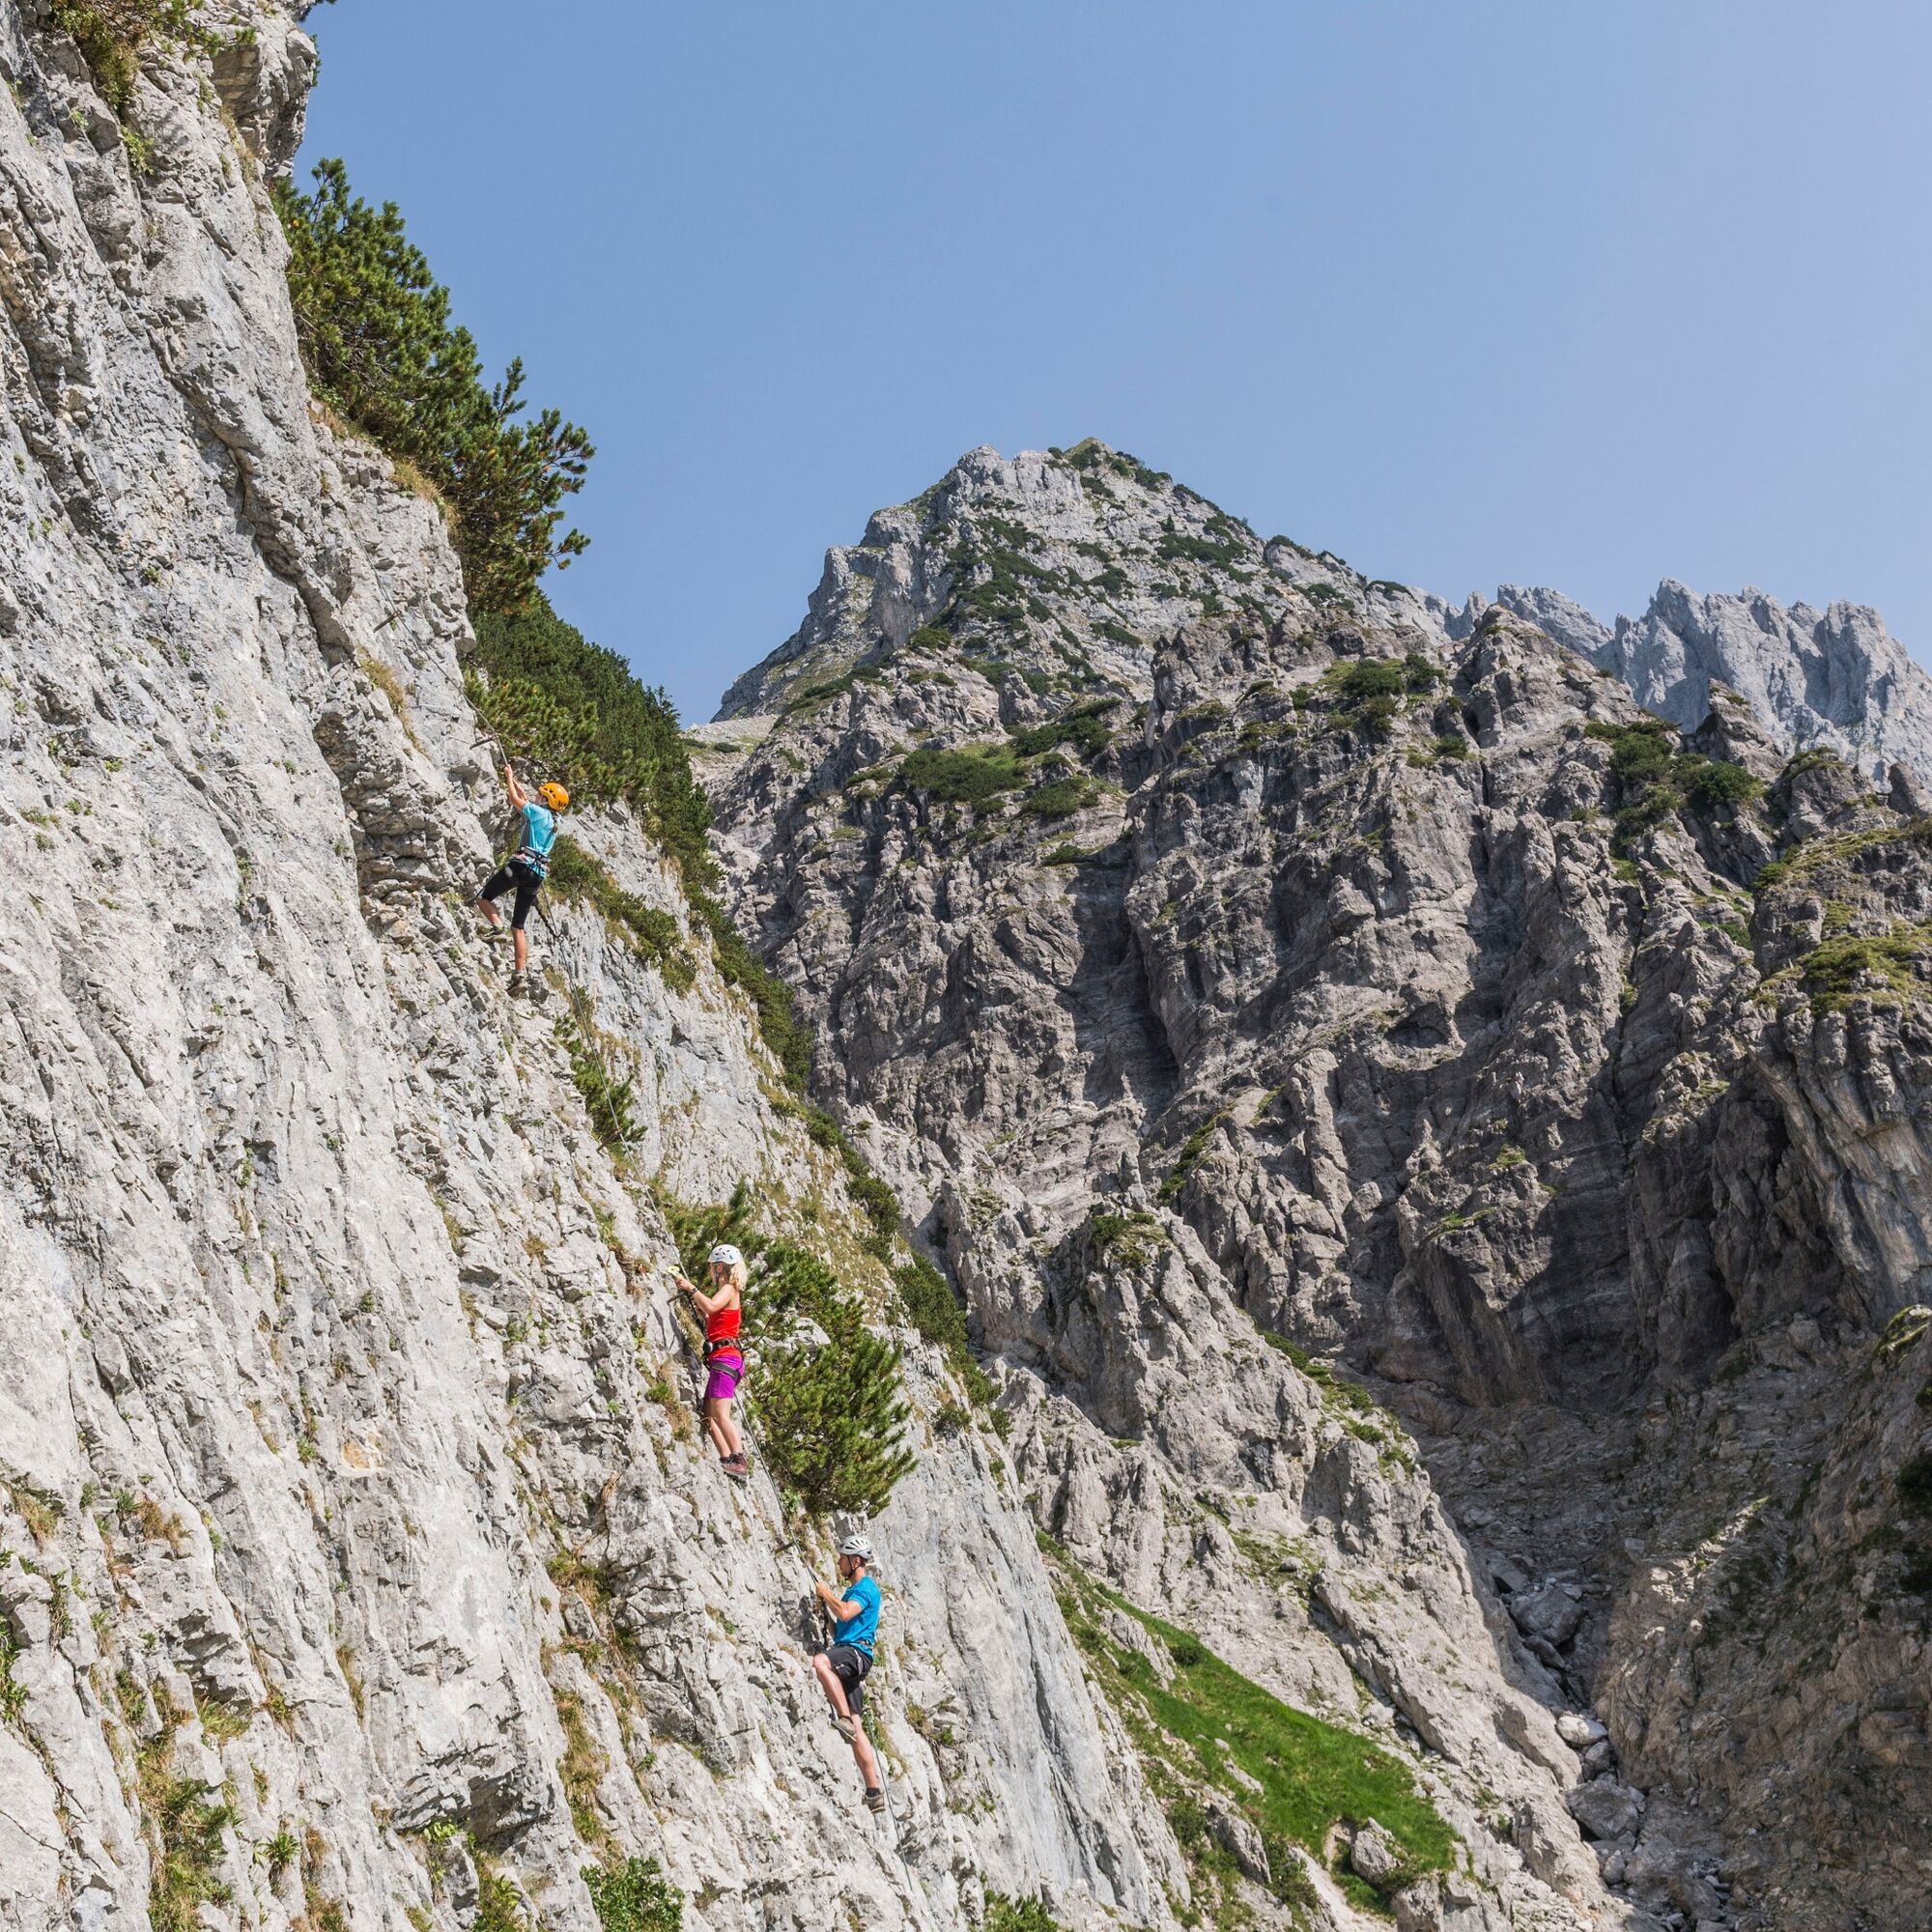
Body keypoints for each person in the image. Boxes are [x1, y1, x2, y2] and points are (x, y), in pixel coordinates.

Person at [474, 758, 567, 996]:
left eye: (540, 795)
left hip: (520, 867)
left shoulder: (537, 812)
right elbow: (525, 802)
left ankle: (496, 927)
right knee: (519, 926)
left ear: (545, 800)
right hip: (536, 877)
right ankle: (519, 975)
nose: (536, 797)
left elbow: (516, 802)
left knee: (484, 897)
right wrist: (518, 785)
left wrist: (508, 777)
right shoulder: (553, 823)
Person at [811, 1532, 885, 1813]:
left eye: (843, 1558)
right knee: (858, 1725)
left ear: (855, 1561)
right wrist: (824, 1608)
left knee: (821, 1663)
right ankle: (873, 1790)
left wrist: (826, 1594)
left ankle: (841, 1717)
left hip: (856, 1654)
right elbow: (841, 1626)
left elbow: (845, 1613)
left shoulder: (866, 1588)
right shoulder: (853, 1592)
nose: (839, 1562)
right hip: (851, 1651)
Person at [672, 1244, 749, 1481]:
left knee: (720, 1414)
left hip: (726, 1359)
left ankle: (739, 1459)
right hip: (724, 1360)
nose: (711, 1273)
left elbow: (713, 1306)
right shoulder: (727, 1292)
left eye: (713, 1269)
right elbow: (714, 1315)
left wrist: (691, 1288)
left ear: (719, 1267)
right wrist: (701, 1307)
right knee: (708, 1415)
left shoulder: (728, 1288)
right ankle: (727, 1460)